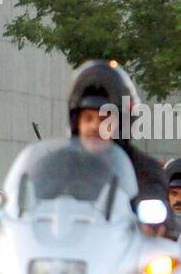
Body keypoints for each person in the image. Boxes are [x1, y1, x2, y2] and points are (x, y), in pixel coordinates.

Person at [67, 60, 168, 218]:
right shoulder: (58, 165)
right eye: (88, 118)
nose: (95, 126)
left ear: (122, 124)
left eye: (104, 118)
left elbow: (155, 198)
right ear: (76, 123)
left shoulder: (144, 170)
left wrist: (155, 223)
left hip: (122, 241)